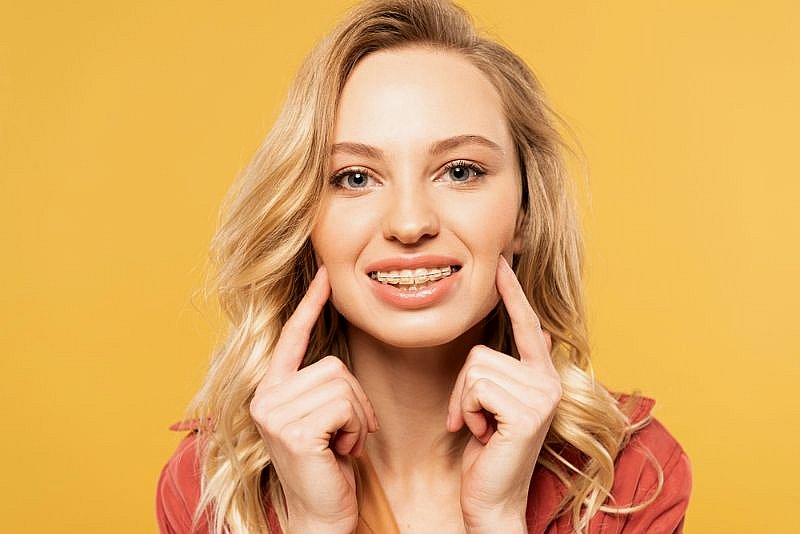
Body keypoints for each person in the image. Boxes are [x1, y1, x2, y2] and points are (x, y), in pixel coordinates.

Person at [155, 0, 692, 532]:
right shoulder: (210, 486)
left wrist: (499, 519)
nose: (410, 224)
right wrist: (315, 524)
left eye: (460, 171)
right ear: (304, 220)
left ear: (527, 211)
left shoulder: (628, 475)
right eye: (355, 177)